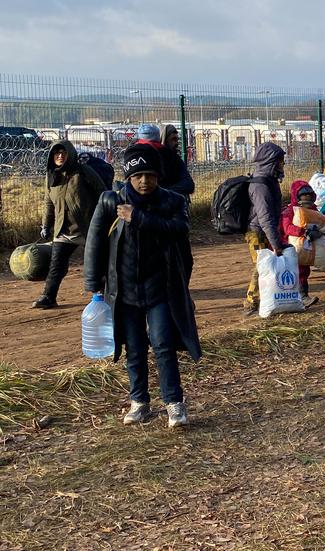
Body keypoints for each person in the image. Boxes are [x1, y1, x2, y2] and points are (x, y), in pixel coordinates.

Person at [83, 143, 201, 429]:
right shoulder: (110, 202)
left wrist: (139, 218)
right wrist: (93, 283)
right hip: (124, 291)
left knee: (163, 345)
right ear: (128, 176)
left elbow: (180, 228)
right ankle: (139, 401)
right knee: (133, 348)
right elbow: (95, 242)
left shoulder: (172, 202)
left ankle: (174, 403)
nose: (144, 181)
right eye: (138, 176)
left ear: (158, 176)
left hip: (160, 288)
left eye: (150, 175)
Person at [32, 140, 104, 309]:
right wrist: (45, 225)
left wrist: (102, 220)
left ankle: (103, 296)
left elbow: (102, 192)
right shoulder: (51, 176)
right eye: (56, 153)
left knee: (96, 264)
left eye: (63, 153)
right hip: (63, 229)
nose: (60, 156)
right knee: (56, 265)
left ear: (70, 155)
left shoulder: (84, 172)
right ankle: (48, 297)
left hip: (88, 228)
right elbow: (48, 203)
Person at [243, 142, 287, 318]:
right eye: (280, 161)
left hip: (263, 230)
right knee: (262, 267)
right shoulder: (260, 185)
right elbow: (265, 218)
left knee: (265, 266)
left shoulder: (269, 180)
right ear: (271, 161)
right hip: (257, 232)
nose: (282, 164)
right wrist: (276, 244)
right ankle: (251, 303)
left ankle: (267, 299)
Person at [280, 180, 322, 307]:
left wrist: (318, 231)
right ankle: (301, 297)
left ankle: (302, 296)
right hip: (287, 245)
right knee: (299, 270)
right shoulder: (289, 212)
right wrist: (303, 231)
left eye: (309, 196)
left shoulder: (313, 210)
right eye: (304, 196)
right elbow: (287, 228)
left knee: (304, 269)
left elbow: (321, 222)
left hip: (303, 245)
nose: (307, 199)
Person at [135, 124, 194, 201]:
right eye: (173, 139)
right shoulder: (140, 158)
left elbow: (188, 185)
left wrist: (162, 192)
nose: (176, 143)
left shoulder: (174, 159)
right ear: (164, 139)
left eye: (177, 139)